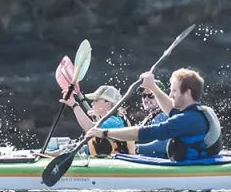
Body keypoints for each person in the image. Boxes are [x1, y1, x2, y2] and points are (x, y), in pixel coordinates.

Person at [84, 69, 222, 162]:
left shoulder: (188, 119)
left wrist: (105, 133)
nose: (170, 95)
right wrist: (152, 87)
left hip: (193, 170)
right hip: (192, 165)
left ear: (187, 93)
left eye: (174, 91)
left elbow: (147, 132)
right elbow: (170, 108)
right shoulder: (193, 114)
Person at [60, 85, 134, 156]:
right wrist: (55, 153)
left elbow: (90, 128)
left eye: (96, 100)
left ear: (108, 103)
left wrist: (74, 105)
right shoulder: (103, 122)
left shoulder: (116, 121)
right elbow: (82, 146)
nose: (92, 103)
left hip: (120, 165)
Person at [136, 79, 169, 158]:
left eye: (151, 96)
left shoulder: (163, 116)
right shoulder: (151, 117)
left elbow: (162, 145)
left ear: (161, 96)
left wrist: (134, 148)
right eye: (144, 96)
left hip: (159, 166)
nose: (146, 99)